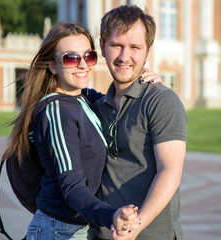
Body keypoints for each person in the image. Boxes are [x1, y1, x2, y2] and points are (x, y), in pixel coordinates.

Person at [1, 21, 144, 240]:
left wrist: (145, 82)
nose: (83, 65)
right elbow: (72, 188)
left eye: (89, 56)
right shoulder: (57, 112)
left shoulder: (82, 97)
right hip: (59, 230)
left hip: (75, 227)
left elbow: (117, 96)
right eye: (71, 58)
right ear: (52, 65)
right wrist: (111, 215)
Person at [92, 4, 187, 240]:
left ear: (148, 51)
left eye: (135, 47)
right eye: (116, 45)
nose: (125, 56)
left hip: (153, 234)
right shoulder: (96, 106)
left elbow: (170, 171)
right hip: (104, 233)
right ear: (102, 46)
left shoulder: (162, 101)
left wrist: (136, 225)